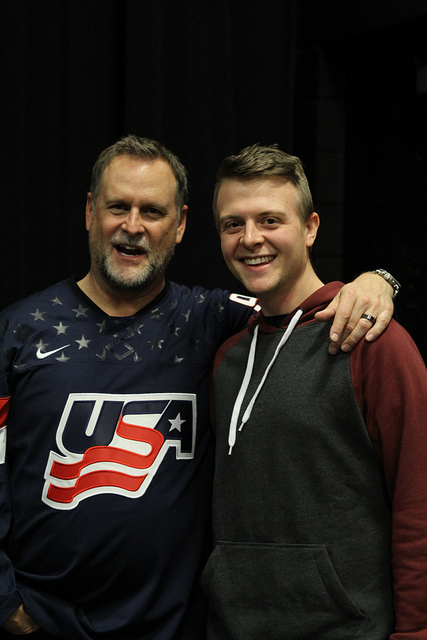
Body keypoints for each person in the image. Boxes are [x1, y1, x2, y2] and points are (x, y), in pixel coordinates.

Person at [0, 135, 396, 640]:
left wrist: (378, 280)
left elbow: (301, 309)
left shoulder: (216, 320)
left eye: (154, 211)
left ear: (181, 223)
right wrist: (6, 604)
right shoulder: (17, 331)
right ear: (88, 211)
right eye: (118, 207)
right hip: (38, 622)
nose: (133, 226)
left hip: (176, 625)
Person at [202, 143, 427, 640]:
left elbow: (418, 506)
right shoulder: (227, 357)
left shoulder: (374, 343)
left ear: (310, 227)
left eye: (270, 220)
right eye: (232, 224)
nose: (250, 238)